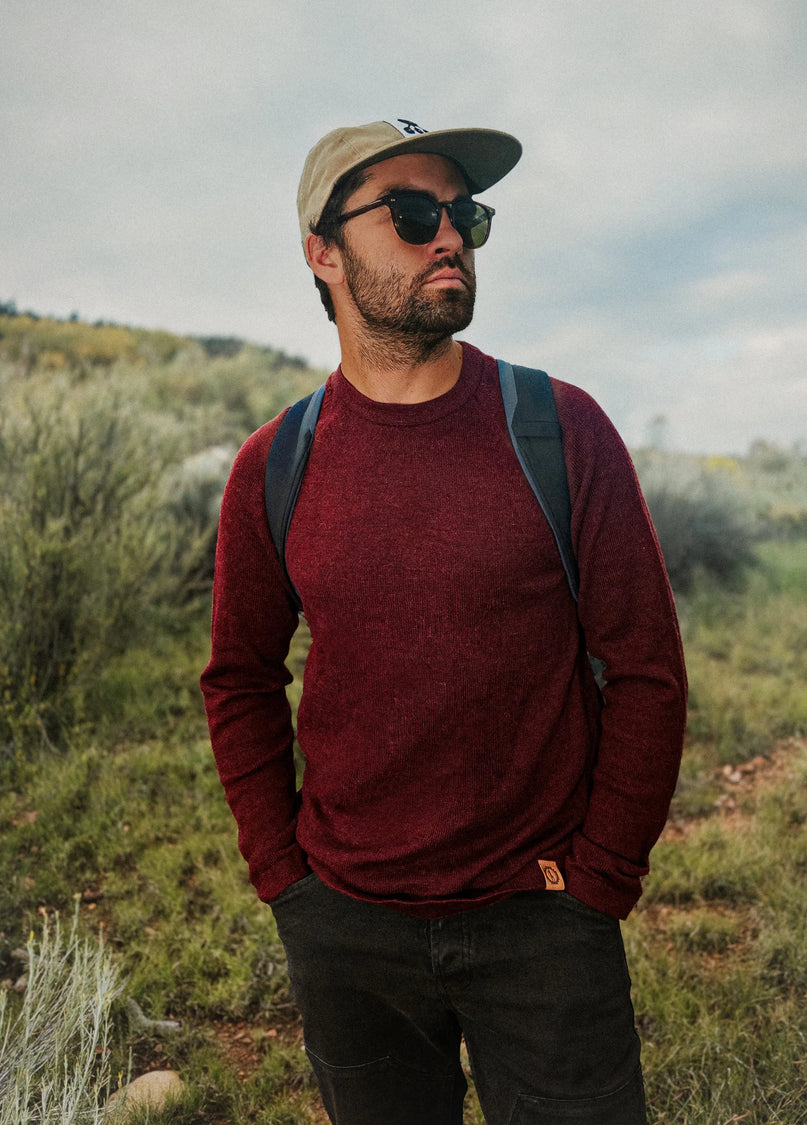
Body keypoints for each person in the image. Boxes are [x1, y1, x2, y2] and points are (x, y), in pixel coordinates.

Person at [201, 117, 687, 1125]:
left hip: (542, 921)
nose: (450, 238)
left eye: (464, 214)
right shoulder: (274, 466)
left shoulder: (560, 428)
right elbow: (240, 679)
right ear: (323, 254)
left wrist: (602, 877)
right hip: (346, 930)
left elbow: (644, 669)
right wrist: (285, 877)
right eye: (415, 213)